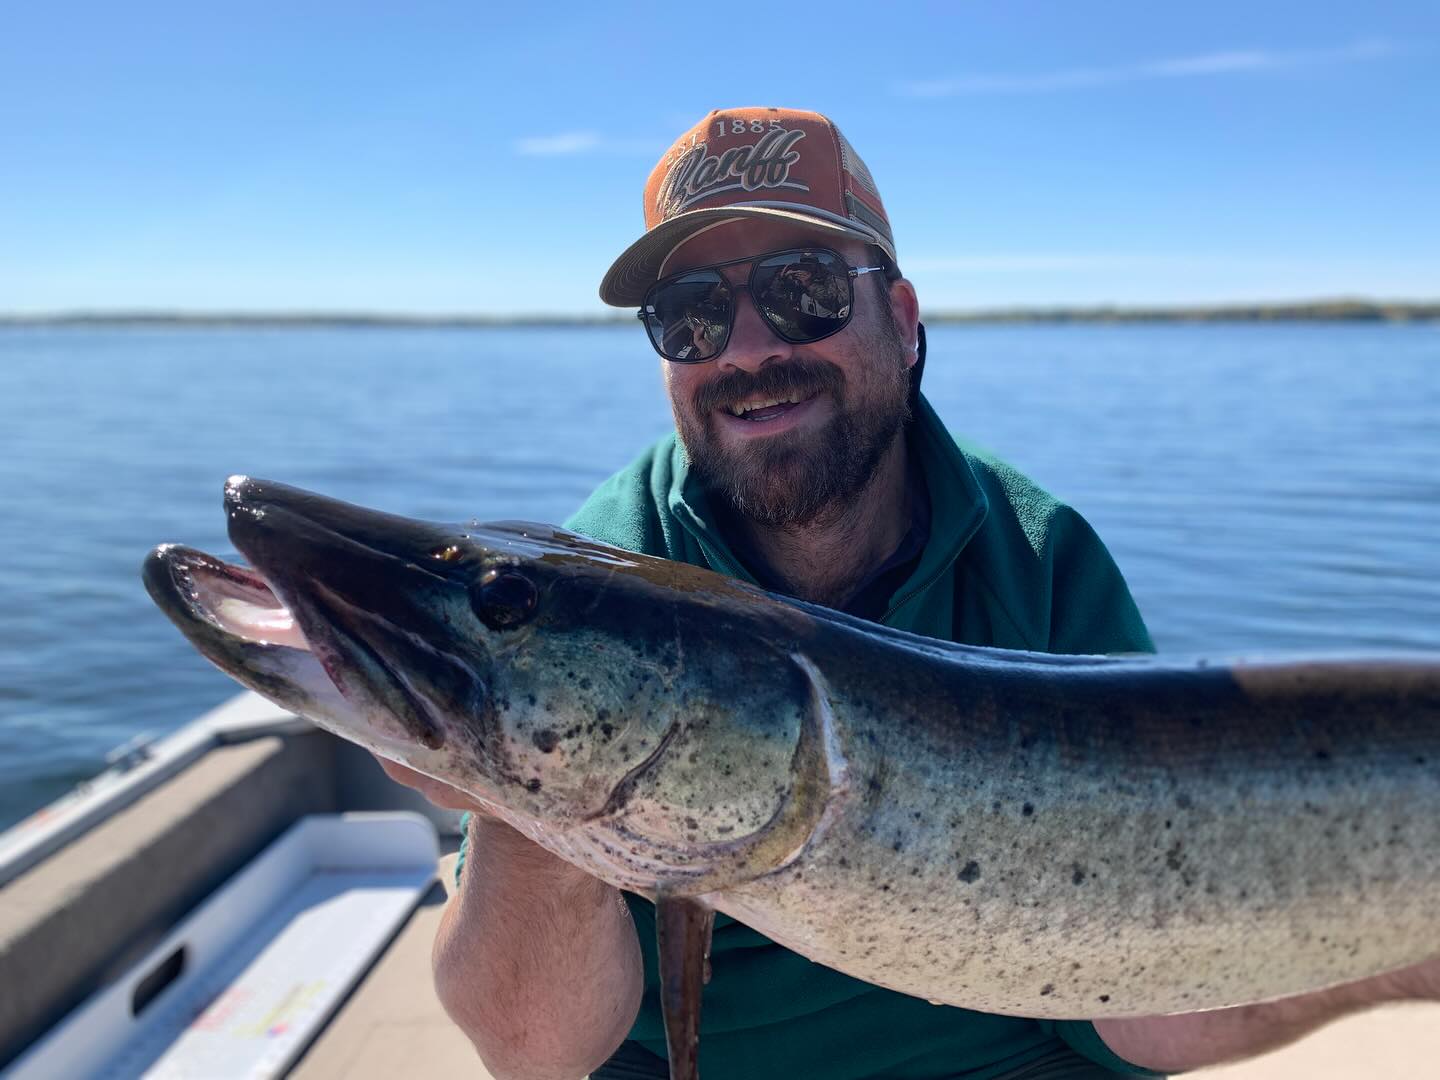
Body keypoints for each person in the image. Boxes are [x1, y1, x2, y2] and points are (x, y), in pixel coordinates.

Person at [380, 108, 1439, 1080]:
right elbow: (533, 1049)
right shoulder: (593, 580)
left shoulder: (1039, 557)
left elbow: (1140, 1012)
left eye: (803, 292)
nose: (748, 352)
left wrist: (1400, 962)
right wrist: (520, 774)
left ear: (902, 317)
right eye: (691, 316)